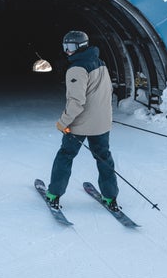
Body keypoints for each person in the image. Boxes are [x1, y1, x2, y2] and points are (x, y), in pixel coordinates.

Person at [44, 30, 120, 212]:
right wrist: (102, 114)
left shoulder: (77, 68)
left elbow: (76, 102)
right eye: (65, 47)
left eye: (70, 47)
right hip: (102, 124)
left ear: (80, 47)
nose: (67, 51)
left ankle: (53, 194)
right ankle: (110, 197)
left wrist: (63, 122)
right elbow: (105, 92)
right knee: (104, 158)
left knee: (65, 156)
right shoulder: (100, 63)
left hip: (79, 125)